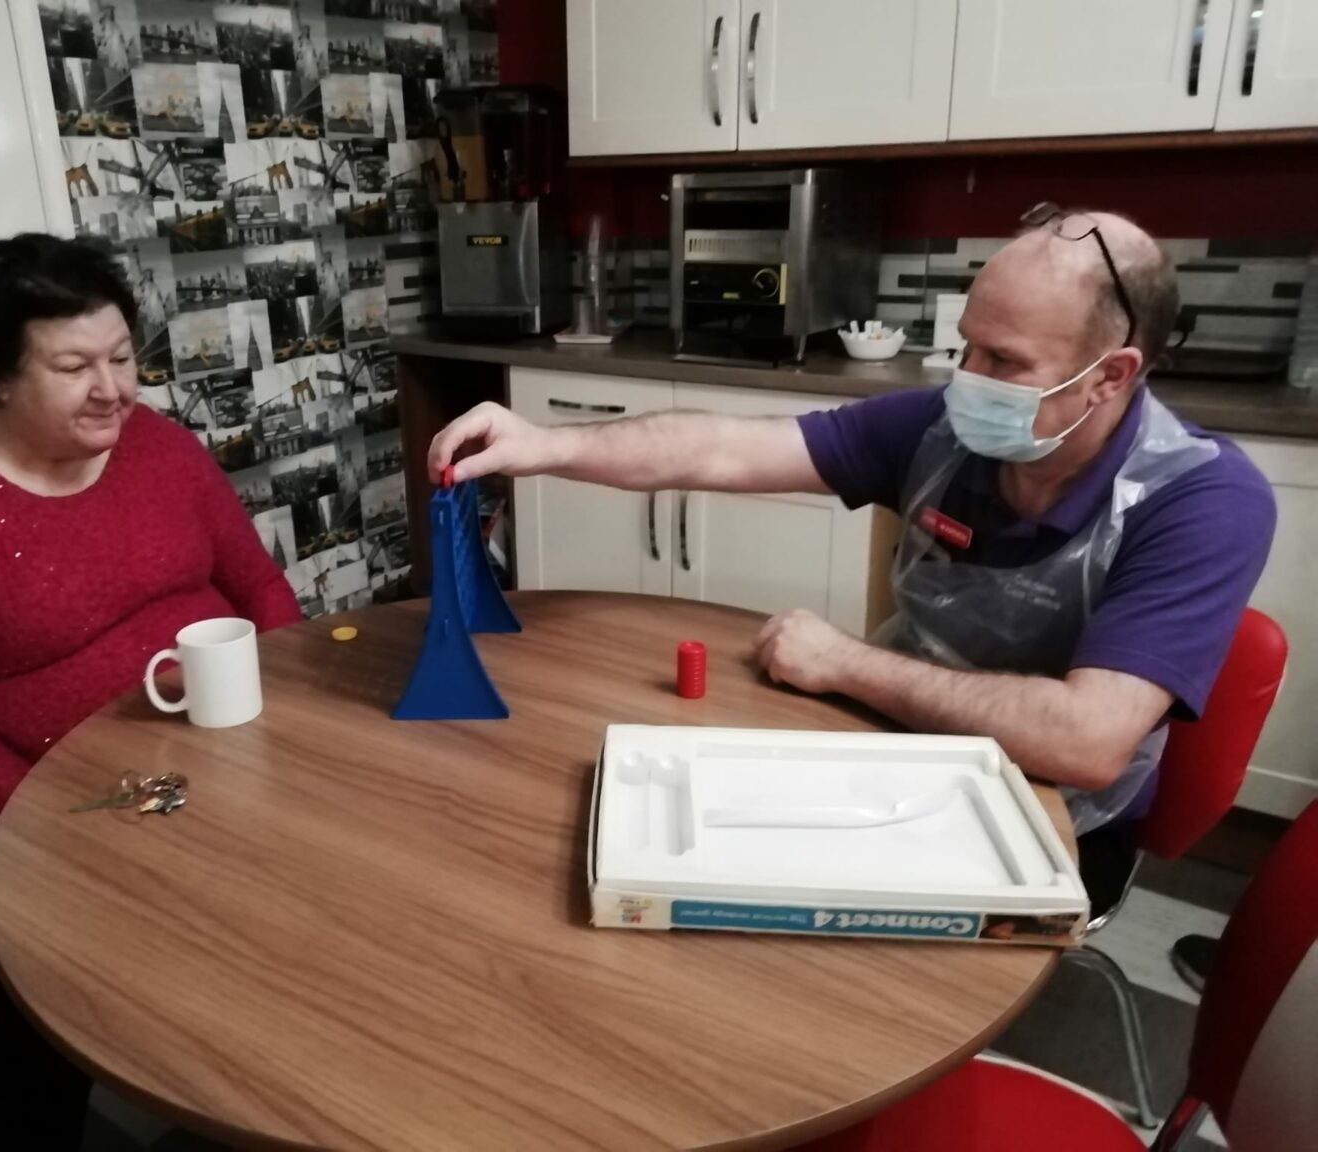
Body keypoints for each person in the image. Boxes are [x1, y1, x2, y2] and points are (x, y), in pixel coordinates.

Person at [429, 205, 1276, 845]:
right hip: (895, 745)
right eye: (967, 346)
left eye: (1004, 361)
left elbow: (1085, 742)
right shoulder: (941, 430)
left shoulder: (1202, 500)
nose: (967, 378)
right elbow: (723, 448)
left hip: (1050, 817)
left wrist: (847, 663)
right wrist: (547, 444)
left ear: (1111, 376)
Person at [0, 233, 299, 1151]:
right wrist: (54, 816)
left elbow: (256, 583)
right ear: (0, 378)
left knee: (281, 937)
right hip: (35, 807)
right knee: (39, 1028)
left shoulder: (159, 447)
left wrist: (284, 706)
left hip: (207, 765)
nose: (113, 389)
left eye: (121, 357)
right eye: (74, 367)